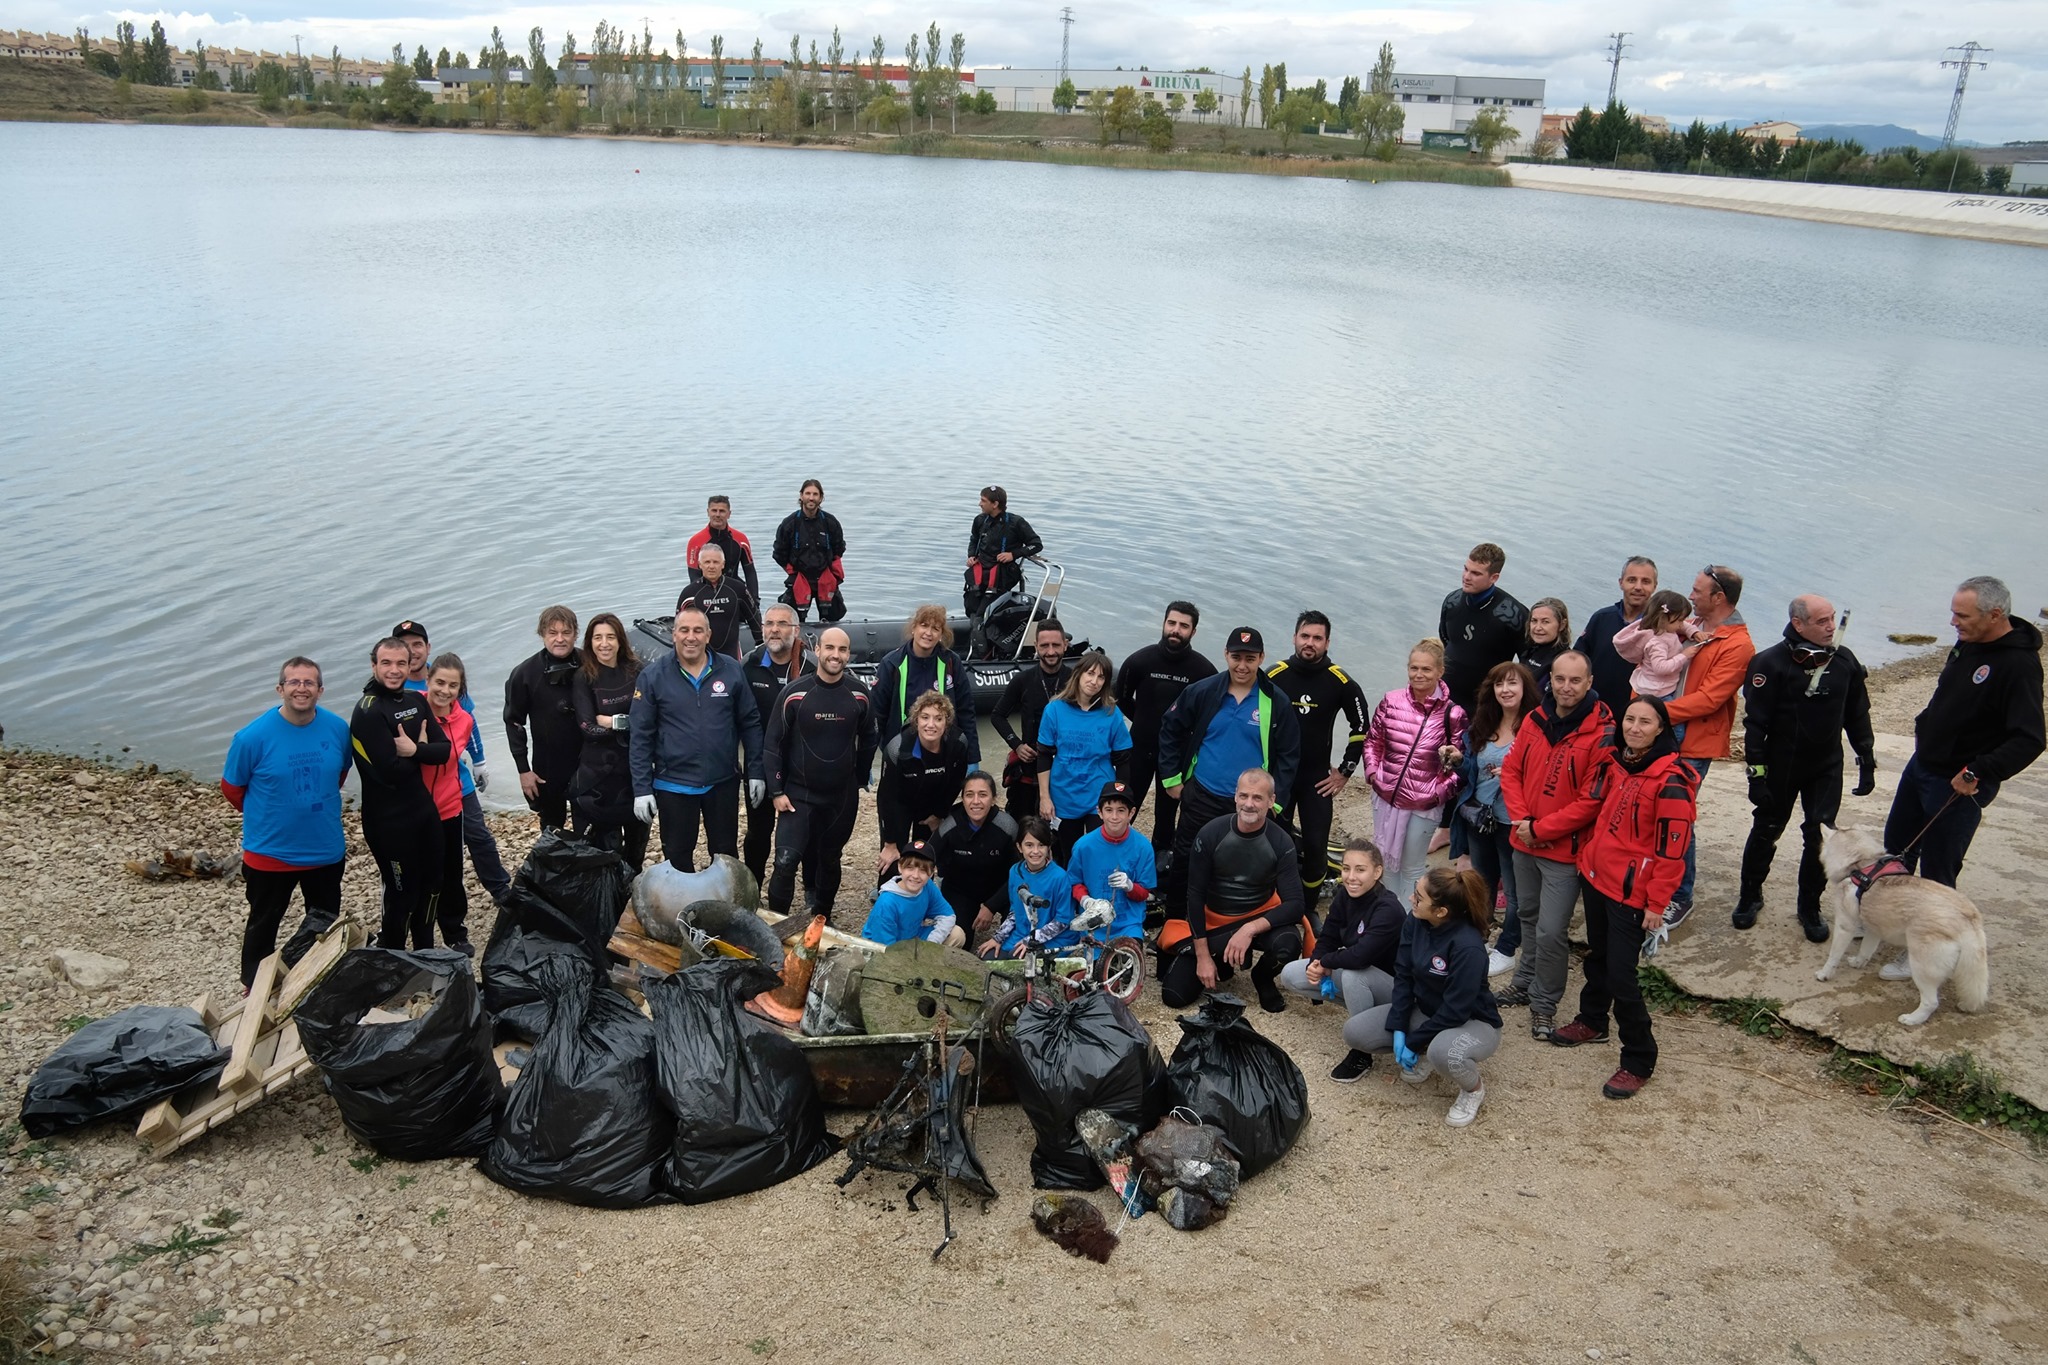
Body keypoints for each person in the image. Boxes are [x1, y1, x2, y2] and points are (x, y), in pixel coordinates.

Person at [1553, 697, 1697, 1101]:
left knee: (1622, 974)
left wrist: (1657, 903)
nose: (1634, 727)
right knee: (1598, 955)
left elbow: (1674, 850)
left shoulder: (1670, 781)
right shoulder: (1619, 763)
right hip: (1599, 877)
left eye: (1645, 722)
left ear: (1661, 729)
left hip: (1633, 893)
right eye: (1630, 719)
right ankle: (1593, 1020)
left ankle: (1639, 1057)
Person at [1881, 575, 2044, 896]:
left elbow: (2030, 739)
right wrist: (1924, 725)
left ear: (1995, 615)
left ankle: (1931, 942)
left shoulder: (2019, 665)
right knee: (1896, 852)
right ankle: (1888, 918)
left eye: (1963, 616)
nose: (1953, 622)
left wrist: (1977, 771)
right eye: (1954, 613)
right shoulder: (1968, 641)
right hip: (1921, 766)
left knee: (1937, 872)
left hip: (1958, 785)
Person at [1736, 595, 1877, 941]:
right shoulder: (1769, 663)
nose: (1831, 627)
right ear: (1798, 624)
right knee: (1767, 828)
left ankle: (1809, 907)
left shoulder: (1844, 662)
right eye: (1821, 621)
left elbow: (1857, 715)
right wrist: (1756, 774)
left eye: (1833, 619)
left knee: (1820, 835)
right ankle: (1750, 896)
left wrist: (1867, 759)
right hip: (1781, 763)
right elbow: (1755, 725)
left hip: (1826, 765)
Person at [1498, 651, 1612, 1040]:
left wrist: (1541, 828)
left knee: (1551, 931)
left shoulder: (1602, 731)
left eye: (1575, 681)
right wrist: (1522, 820)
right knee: (1526, 914)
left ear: (1589, 682)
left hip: (1564, 851)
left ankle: (1544, 1004)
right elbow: (1511, 772)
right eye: (1559, 679)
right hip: (1524, 839)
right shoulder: (1534, 719)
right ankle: (1524, 980)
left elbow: (1592, 800)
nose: (1565, 687)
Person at [221, 657, 352, 989]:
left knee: (322, 923)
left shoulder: (337, 729)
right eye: (294, 682)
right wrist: (271, 815)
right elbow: (232, 788)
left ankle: (315, 981)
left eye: (309, 683)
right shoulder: (251, 738)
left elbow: (338, 774)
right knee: (264, 924)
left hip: (324, 850)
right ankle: (254, 987)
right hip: (270, 853)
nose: (301, 688)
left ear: (320, 690)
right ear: (280, 688)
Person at [1155, 626, 1300, 921]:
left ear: (1261, 657)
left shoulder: (1276, 701)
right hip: (1202, 795)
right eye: (1236, 657)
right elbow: (1170, 727)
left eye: (1249, 658)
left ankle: (1226, 923)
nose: (1242, 665)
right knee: (1185, 857)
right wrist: (1171, 779)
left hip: (1248, 804)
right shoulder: (1203, 691)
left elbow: (1288, 755)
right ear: (1225, 655)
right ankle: (1176, 921)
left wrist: (1277, 802)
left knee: (1239, 865)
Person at [1341, 867, 1502, 1126]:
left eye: (1418, 897)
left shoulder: (1467, 947)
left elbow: (1456, 1010)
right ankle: (1428, 1047)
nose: (1410, 899)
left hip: (1471, 1021)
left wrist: (1414, 1041)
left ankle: (1473, 1090)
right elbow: (1403, 975)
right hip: (1427, 1009)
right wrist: (1399, 1026)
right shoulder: (1416, 921)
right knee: (1355, 1033)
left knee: (1444, 1053)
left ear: (1441, 912)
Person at [627, 602, 765, 870]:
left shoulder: (730, 670)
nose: (691, 637)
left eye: (698, 630)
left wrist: (756, 771)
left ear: (708, 636)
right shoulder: (652, 676)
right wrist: (642, 789)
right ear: (674, 634)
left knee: (725, 855)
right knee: (677, 857)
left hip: (722, 781)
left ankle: (724, 909)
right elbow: (640, 736)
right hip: (673, 784)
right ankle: (683, 909)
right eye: (685, 630)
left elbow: (750, 723)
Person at [1159, 769, 1307, 1013]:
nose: (1249, 804)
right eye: (1244, 796)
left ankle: (1262, 978)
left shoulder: (1281, 842)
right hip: (1215, 923)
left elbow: (1295, 904)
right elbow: (1194, 896)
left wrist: (1249, 929)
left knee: (1288, 944)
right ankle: (1220, 958)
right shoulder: (1210, 834)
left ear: (1271, 801)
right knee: (1173, 995)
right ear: (1235, 797)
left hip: (1257, 916)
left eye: (1258, 798)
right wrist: (1203, 956)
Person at [760, 626, 877, 922]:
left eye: (842, 650)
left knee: (829, 858)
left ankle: (821, 920)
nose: (835, 655)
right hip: (799, 793)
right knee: (786, 862)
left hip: (841, 796)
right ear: (818, 651)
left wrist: (860, 779)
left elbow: (869, 738)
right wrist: (776, 791)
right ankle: (776, 925)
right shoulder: (795, 693)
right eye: (830, 648)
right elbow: (773, 741)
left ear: (848, 654)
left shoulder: (859, 694)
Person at [1662, 565, 1755, 921]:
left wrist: (1652, 711)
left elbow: (1709, 700)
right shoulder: (1693, 625)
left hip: (1694, 739)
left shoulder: (1739, 645)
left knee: (1678, 817)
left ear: (1719, 598)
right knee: (1658, 810)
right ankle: (1659, 882)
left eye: (1697, 591)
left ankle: (1682, 896)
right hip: (1668, 729)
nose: (1690, 596)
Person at [395, 620, 509, 905]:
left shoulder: (446, 673)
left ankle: (501, 890)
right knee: (430, 850)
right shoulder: (396, 690)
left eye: (417, 644)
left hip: (458, 780)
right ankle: (422, 902)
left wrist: (480, 761)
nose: (413, 651)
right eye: (406, 646)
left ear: (427, 648)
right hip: (417, 788)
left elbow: (468, 723)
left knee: (479, 836)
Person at [350, 637, 451, 949]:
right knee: (403, 892)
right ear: (374, 666)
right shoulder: (368, 711)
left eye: (401, 663)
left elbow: (444, 751)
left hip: (422, 810)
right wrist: (422, 751)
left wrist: (413, 749)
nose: (394, 670)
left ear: (411, 665)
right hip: (388, 821)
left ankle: (425, 950)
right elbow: (389, 772)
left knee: (434, 885)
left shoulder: (415, 700)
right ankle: (391, 953)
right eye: (386, 663)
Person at [1266, 610, 1369, 913]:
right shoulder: (1274, 675)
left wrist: (1346, 771)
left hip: (1317, 782)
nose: (1310, 643)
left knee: (1314, 848)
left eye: (1317, 638)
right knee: (1273, 845)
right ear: (1294, 637)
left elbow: (1361, 726)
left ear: (1327, 642)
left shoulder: (1339, 681)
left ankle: (1307, 909)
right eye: (1305, 636)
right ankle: (1275, 901)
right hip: (1279, 779)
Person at [1277, 839, 1405, 1081]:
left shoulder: (1388, 908)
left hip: (1394, 987)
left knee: (1354, 974)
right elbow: (1328, 936)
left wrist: (1327, 962)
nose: (1351, 877)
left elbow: (1360, 956)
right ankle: (1365, 1011)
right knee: (1291, 975)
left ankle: (1362, 1051)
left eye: (1360, 869)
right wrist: (1316, 961)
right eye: (1346, 868)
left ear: (1377, 872)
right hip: (1361, 977)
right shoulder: (1344, 897)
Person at [1362, 639, 1467, 904]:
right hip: (1385, 797)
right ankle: (1389, 923)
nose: (1419, 675)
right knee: (1384, 864)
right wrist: (1374, 775)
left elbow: (1461, 766)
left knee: (1411, 868)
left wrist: (1436, 794)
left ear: (1440, 671)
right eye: (1414, 668)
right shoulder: (1391, 701)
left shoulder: (1453, 714)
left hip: (1423, 805)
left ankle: (1410, 928)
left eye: (1426, 669)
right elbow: (1373, 741)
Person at [1116, 601, 1216, 861]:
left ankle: (1159, 862)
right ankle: (1118, 853)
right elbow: (1121, 698)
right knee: (1126, 804)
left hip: (1175, 755)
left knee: (1166, 813)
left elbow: (1210, 715)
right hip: (1138, 747)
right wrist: (1142, 721)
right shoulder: (1140, 660)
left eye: (1184, 626)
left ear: (1193, 632)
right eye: (1172, 623)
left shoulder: (1203, 671)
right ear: (1163, 623)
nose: (1176, 630)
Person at [1457, 661, 1537, 976]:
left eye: (1512, 683)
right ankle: (1478, 937)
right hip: (1479, 816)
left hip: (1512, 820)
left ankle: (1507, 948)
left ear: (1524, 688)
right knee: (1483, 883)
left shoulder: (1535, 726)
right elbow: (1471, 772)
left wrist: (1516, 774)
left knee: (1515, 891)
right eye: (1499, 684)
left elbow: (1544, 773)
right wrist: (1456, 760)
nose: (1505, 690)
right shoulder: (1483, 723)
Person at [569, 613, 648, 873]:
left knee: (637, 848)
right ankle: (609, 903)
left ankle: (631, 896)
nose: (604, 644)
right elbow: (587, 728)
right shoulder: (584, 677)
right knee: (607, 852)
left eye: (610, 637)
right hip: (599, 779)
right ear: (590, 642)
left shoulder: (636, 670)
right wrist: (624, 725)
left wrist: (613, 722)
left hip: (634, 773)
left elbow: (648, 718)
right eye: (598, 637)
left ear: (620, 641)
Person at [1036, 651, 1132, 862]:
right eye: (1090, 674)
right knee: (1069, 854)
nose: (1094, 681)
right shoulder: (1054, 709)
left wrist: (1121, 799)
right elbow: (1043, 756)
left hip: (1099, 794)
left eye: (1101, 677)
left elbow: (1123, 760)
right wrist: (1045, 797)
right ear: (1078, 674)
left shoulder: (1111, 712)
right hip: (1064, 795)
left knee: (1101, 852)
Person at [741, 603, 808, 883]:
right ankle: (753, 885)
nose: (774, 630)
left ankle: (808, 890)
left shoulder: (811, 666)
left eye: (782, 624)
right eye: (769, 624)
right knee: (758, 830)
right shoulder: (750, 664)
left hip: (800, 766)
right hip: (760, 763)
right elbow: (737, 718)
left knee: (800, 832)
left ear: (796, 629)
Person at [504, 605, 584, 831]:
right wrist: (523, 770)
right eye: (552, 633)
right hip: (547, 767)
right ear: (542, 635)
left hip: (588, 762)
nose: (560, 639)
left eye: (566, 632)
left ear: (576, 634)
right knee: (551, 827)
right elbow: (514, 722)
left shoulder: (590, 664)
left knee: (590, 823)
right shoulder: (525, 674)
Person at [877, 690, 972, 879]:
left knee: (924, 856)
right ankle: (886, 892)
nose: (931, 725)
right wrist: (889, 843)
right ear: (916, 720)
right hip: (900, 803)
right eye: (925, 718)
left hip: (932, 803)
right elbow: (885, 797)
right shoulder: (897, 749)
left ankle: (924, 896)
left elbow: (956, 783)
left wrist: (939, 813)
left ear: (947, 722)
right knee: (894, 857)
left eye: (938, 719)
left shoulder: (958, 743)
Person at [418, 654, 477, 953]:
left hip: (450, 807)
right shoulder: (412, 708)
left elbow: (455, 760)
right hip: (415, 810)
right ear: (427, 681)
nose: (445, 690)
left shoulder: (464, 720)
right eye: (439, 682)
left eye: (453, 685)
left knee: (451, 876)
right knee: (420, 877)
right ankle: (419, 937)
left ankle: (455, 933)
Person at [874, 605, 980, 764]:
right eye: (924, 625)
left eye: (935, 629)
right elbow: (876, 716)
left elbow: (966, 712)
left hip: (943, 750)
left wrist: (973, 758)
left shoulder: (952, 662)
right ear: (913, 628)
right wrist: (866, 759)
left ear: (941, 635)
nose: (928, 633)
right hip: (900, 750)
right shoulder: (892, 663)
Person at [991, 618, 1073, 820]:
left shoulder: (1076, 680)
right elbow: (997, 716)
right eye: (1044, 645)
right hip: (1029, 766)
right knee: (1023, 824)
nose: (1051, 651)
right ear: (1036, 646)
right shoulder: (1022, 680)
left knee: (1060, 828)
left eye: (1056, 645)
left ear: (1065, 645)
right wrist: (1017, 745)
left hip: (1065, 766)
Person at [1438, 542, 1530, 714]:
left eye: (1475, 573)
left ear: (1494, 577)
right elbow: (1446, 639)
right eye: (1465, 569)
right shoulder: (1452, 601)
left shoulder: (1513, 615)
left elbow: (1528, 663)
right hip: (1445, 698)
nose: (1466, 577)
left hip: (1485, 705)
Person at [931, 772, 1019, 950]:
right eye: (969, 795)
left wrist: (991, 906)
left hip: (999, 887)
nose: (976, 801)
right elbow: (926, 859)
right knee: (960, 941)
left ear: (993, 799)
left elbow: (1019, 872)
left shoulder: (1007, 826)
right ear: (962, 799)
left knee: (1014, 935)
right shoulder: (950, 825)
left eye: (983, 795)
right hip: (960, 889)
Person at [1064, 780, 1156, 946]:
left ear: (1131, 813)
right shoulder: (1083, 846)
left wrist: (1130, 886)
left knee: (1128, 967)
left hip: (1129, 923)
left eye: (1121, 811)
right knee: (1099, 970)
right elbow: (1074, 882)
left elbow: (1144, 892)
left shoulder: (1143, 847)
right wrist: (1085, 900)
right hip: (1094, 923)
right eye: (1108, 810)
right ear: (1099, 812)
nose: (1114, 817)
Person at [1575, 557, 1660, 714]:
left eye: (1646, 581)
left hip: (1634, 716)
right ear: (1621, 582)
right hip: (1592, 710)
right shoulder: (1601, 618)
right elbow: (1577, 660)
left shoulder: (1660, 628)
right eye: (1632, 580)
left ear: (1655, 586)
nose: (1638, 587)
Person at [986, 818, 1076, 958]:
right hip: (1022, 934)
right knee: (988, 958)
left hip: (1054, 939)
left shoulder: (1060, 877)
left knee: (1017, 961)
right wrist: (999, 937)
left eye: (1041, 845)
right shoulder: (1015, 871)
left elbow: (1062, 921)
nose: (1035, 851)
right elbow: (1015, 910)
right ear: (1020, 847)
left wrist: (1031, 940)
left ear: (1048, 847)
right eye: (1029, 845)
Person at [963, 484, 1044, 621]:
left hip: (1001, 575)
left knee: (982, 614)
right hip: (981, 571)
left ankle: (981, 635)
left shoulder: (1016, 522)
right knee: (971, 609)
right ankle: (976, 632)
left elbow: (1036, 544)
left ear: (995, 504)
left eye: (983, 501)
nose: (979, 504)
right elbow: (974, 539)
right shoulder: (980, 520)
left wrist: (1013, 554)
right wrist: (971, 555)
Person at [1613, 589, 1705, 708]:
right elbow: (1661, 668)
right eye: (1680, 620)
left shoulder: (1666, 629)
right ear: (1663, 619)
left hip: (1662, 687)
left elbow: (1684, 626)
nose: (1682, 624)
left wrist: (1694, 632)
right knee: (1676, 725)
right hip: (1657, 691)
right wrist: (1684, 655)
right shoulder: (1657, 643)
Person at [861, 840, 964, 947]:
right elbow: (884, 947)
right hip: (884, 946)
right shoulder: (887, 902)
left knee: (957, 934)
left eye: (923, 870)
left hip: (912, 937)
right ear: (900, 867)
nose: (915, 875)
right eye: (910, 868)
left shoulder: (927, 886)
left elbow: (948, 915)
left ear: (931, 873)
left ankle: (926, 958)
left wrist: (931, 944)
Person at [772, 478, 847, 622]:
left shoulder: (830, 522)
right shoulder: (789, 524)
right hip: (800, 578)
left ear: (821, 498)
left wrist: (832, 572)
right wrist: (792, 573)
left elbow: (839, 548)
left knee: (834, 617)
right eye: (807, 493)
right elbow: (778, 553)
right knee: (789, 620)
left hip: (825, 578)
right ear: (801, 496)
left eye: (815, 494)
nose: (811, 498)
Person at [678, 545, 761, 660]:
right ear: (700, 564)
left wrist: (760, 644)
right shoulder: (689, 593)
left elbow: (753, 617)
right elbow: (679, 626)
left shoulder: (738, 589)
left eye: (716, 562)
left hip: (732, 655)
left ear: (723, 564)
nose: (711, 566)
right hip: (700, 656)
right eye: (707, 562)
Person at [687, 494, 760, 601]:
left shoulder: (741, 539)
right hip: (706, 594)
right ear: (708, 512)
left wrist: (755, 599)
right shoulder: (696, 541)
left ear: (729, 514)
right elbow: (694, 576)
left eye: (722, 511)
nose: (717, 515)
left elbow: (750, 572)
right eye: (714, 510)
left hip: (735, 592)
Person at [1520, 598, 1571, 694]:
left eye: (1545, 622)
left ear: (1562, 625)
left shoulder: (1565, 661)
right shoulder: (1529, 651)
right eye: (1534, 621)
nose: (1538, 628)